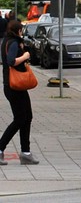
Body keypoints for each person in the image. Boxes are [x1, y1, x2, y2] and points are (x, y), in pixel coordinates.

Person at [0, 20, 39, 166]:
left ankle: (26, 152)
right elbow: (11, 61)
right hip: (13, 86)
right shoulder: (13, 43)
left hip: (14, 86)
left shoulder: (6, 41)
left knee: (27, 117)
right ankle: (0, 148)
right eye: (21, 30)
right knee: (20, 118)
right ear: (18, 31)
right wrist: (25, 56)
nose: (22, 33)